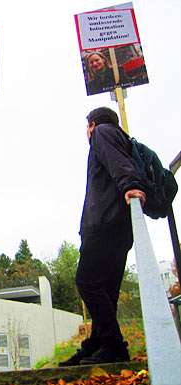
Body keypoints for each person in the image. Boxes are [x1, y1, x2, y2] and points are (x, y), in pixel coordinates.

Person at [59, 107, 146, 367]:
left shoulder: (103, 133)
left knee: (87, 282)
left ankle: (113, 346)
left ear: (92, 124)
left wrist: (131, 185)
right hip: (120, 224)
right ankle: (95, 344)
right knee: (106, 290)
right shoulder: (121, 138)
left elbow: (118, 164)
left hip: (105, 223)